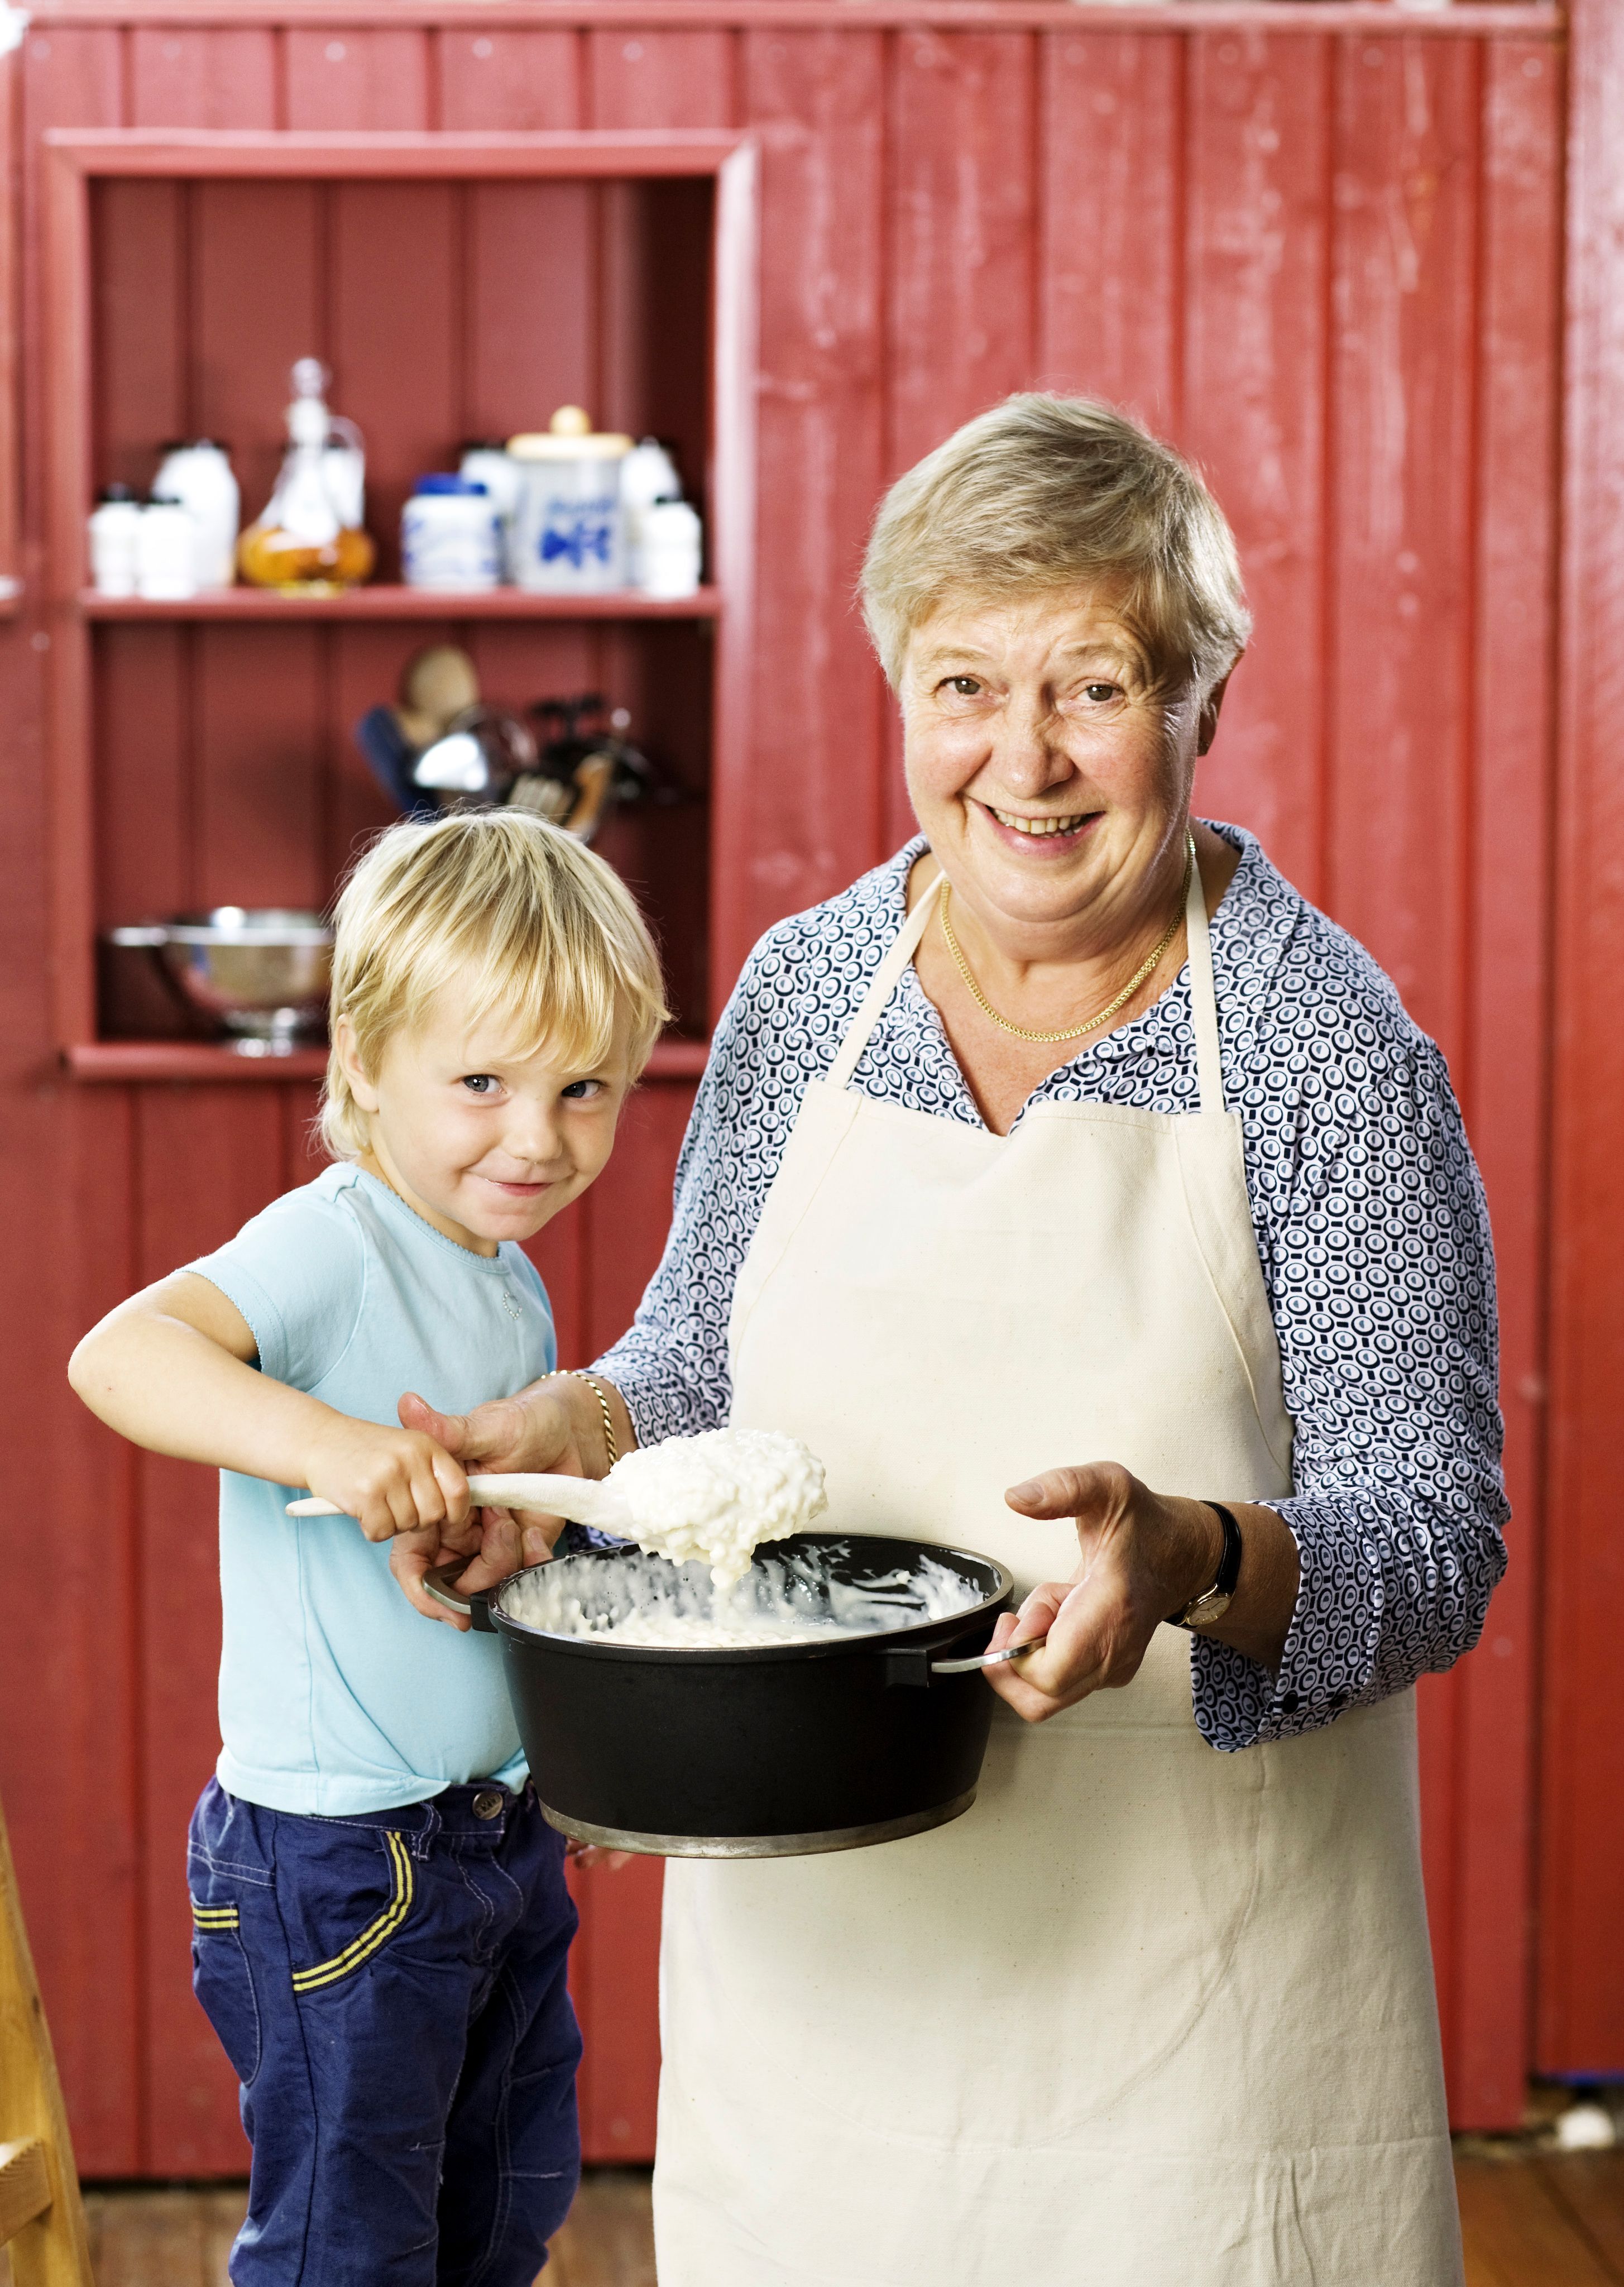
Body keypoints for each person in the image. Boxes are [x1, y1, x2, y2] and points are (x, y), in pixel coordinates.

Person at [403, 396, 1508, 2285]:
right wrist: (563, 1450)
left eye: (1094, 685)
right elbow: (697, 1369)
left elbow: (1437, 1542)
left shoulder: (1327, 1050)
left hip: (1198, 2054)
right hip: (822, 2029)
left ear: (1198, 706)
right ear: (901, 698)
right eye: (965, 686)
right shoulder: (810, 989)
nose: (1028, 757)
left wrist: (1188, 1558)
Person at [67, 812, 667, 2287]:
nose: (538, 1136)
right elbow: (120, 1354)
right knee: (349, 2249)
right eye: (483, 1082)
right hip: (342, 1863)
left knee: (505, 2214)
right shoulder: (334, 1239)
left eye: (584, 1089)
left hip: (494, 1839)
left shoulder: (507, 1283)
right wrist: (334, 1450)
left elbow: (491, 1570)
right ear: (363, 1054)